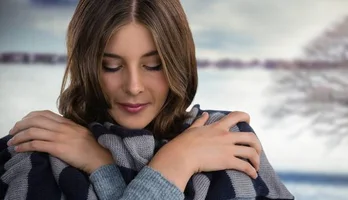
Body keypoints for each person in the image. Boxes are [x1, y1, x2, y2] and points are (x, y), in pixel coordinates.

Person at [0, 0, 293, 199]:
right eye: (110, 66)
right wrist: (173, 168)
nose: (134, 86)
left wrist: (173, 160)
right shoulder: (39, 150)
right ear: (85, 64)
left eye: (153, 65)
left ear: (177, 61)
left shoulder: (223, 139)